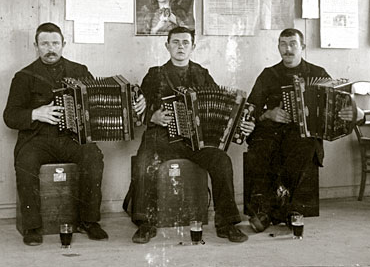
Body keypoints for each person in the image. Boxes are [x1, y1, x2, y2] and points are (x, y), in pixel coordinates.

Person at [3, 23, 144, 246]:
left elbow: (96, 102)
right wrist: (35, 113)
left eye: (55, 43)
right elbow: (10, 116)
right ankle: (32, 227)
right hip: (38, 139)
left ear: (63, 45)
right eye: (44, 44)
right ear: (36, 46)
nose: (50, 48)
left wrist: (133, 101)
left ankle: (89, 221)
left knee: (93, 156)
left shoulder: (79, 70)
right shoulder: (24, 76)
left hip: (72, 139)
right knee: (25, 161)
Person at [130, 26, 255, 244]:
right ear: (167, 46)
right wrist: (152, 116)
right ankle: (145, 223)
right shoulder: (154, 74)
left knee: (221, 160)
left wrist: (239, 123)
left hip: (196, 141)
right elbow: (139, 107)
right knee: (144, 160)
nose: (180, 47)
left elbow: (221, 106)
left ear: (193, 47)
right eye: (175, 42)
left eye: (185, 42)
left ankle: (227, 224)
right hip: (163, 136)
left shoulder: (202, 74)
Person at [244, 28, 357, 233]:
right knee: (259, 148)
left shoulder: (318, 74)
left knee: (305, 146)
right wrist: (269, 114)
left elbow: (338, 106)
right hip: (272, 132)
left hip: (302, 134)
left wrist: (354, 114)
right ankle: (286, 211)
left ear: (302, 47)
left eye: (292, 44)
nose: (287, 49)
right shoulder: (268, 75)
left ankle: (271, 212)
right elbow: (251, 108)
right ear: (278, 47)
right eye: (283, 44)